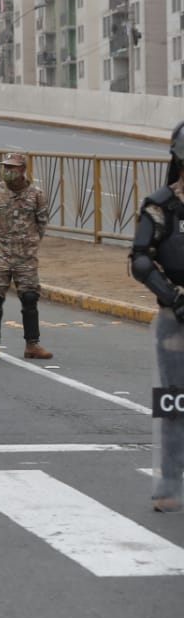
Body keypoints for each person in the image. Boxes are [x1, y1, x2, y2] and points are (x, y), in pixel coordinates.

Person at [130, 120, 184, 513]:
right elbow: (141, 259)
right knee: (175, 402)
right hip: (177, 316)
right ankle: (169, 479)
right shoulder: (162, 205)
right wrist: (172, 296)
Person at [0, 152, 51, 361]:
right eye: (5, 167)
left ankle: (32, 345)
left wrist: (28, 244)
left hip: (25, 257)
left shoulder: (36, 195)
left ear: (22, 170)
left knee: (29, 298)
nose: (7, 171)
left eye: (12, 168)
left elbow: (42, 224)